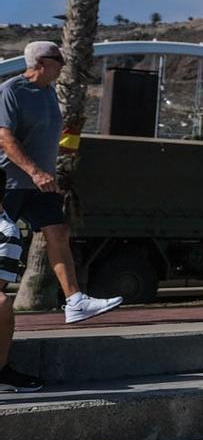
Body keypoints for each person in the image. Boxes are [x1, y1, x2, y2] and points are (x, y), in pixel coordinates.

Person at [0, 42, 125, 391]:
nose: (64, 65)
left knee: (58, 232)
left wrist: (59, 162)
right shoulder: (11, 91)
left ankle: (74, 301)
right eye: (60, 60)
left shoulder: (49, 92)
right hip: (11, 183)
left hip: (41, 184)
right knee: (6, 244)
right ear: (41, 62)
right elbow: (4, 137)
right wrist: (35, 171)